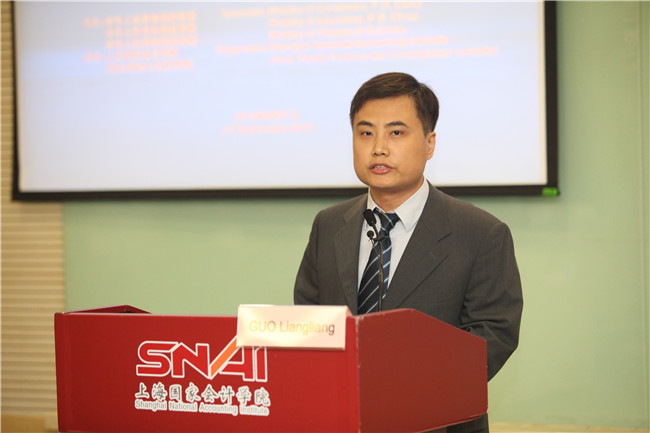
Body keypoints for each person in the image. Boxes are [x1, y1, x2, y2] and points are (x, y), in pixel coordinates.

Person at [293, 72, 523, 433]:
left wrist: (402, 393)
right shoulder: (329, 224)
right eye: (365, 133)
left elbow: (493, 336)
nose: (378, 148)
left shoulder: (481, 233)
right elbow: (308, 318)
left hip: (435, 423)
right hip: (339, 419)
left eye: (396, 133)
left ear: (430, 144)